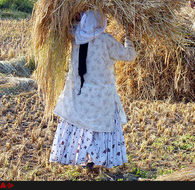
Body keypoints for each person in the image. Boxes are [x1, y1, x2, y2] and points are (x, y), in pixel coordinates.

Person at [49, 10, 136, 169]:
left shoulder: (75, 37)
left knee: (82, 123)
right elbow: (129, 56)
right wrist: (129, 37)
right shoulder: (106, 40)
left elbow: (68, 26)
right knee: (101, 125)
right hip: (102, 94)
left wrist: (74, 16)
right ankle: (99, 158)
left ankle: (85, 157)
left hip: (80, 91)